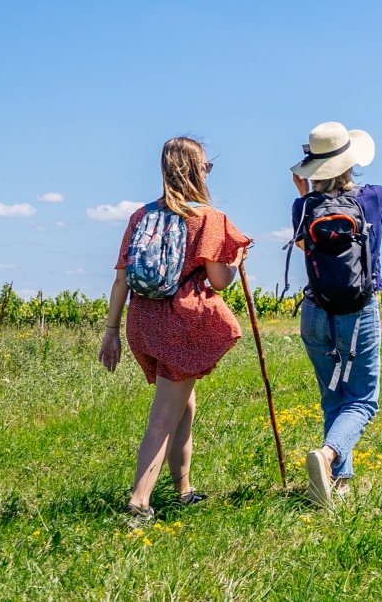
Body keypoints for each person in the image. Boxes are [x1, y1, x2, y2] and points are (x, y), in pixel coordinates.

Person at [99, 137, 253, 524]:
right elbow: (219, 282)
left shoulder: (142, 216)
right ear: (196, 170)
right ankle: (139, 503)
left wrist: (112, 330)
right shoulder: (207, 218)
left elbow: (121, 280)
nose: (207, 172)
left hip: (143, 321)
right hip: (181, 323)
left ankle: (183, 491)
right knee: (165, 413)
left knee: (184, 402)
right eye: (206, 166)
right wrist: (235, 258)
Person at [288, 121, 382, 510]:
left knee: (333, 395)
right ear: (350, 164)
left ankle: (340, 483)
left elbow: (305, 246)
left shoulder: (304, 206)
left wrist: (303, 195)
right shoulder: (370, 199)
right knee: (363, 401)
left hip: (315, 309)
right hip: (358, 309)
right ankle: (329, 456)